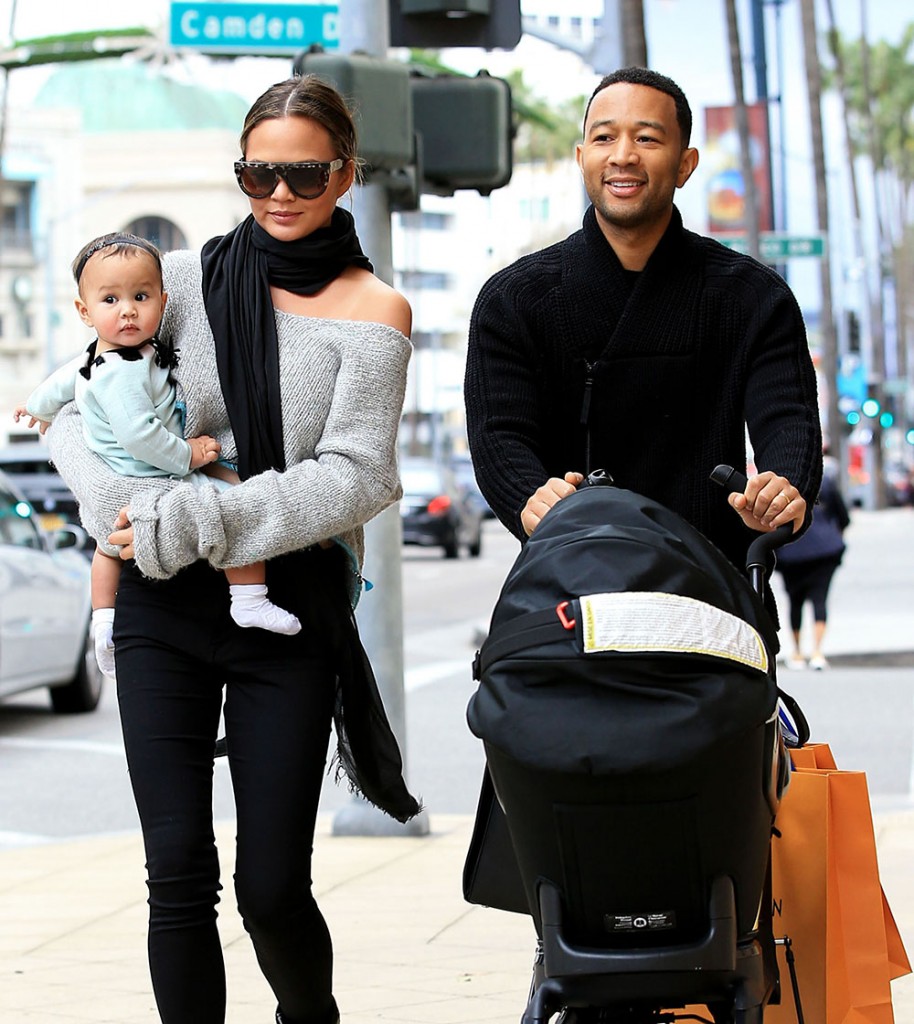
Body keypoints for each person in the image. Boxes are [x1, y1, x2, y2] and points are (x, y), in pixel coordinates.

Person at [43, 75, 421, 1024]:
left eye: (303, 171)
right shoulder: (179, 279)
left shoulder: (376, 311)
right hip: (160, 604)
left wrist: (202, 520)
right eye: (259, 171)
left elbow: (357, 476)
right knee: (175, 873)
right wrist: (127, 513)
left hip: (285, 611)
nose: (280, 193)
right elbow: (82, 410)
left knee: (269, 890)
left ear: (345, 172)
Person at [465, 66, 823, 572]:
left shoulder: (754, 297)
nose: (623, 155)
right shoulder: (513, 300)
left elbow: (788, 417)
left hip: (713, 588)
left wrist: (782, 489)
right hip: (566, 588)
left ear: (685, 164)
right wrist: (530, 496)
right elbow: (500, 434)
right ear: (582, 158)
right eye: (604, 137)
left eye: (648, 138)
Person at [15, 232, 303, 681]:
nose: (128, 309)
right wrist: (189, 455)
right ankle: (249, 599)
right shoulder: (121, 374)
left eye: (141, 296)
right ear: (84, 311)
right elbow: (141, 436)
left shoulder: (99, 357)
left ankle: (104, 623)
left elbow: (59, 382)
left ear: (163, 302)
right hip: (153, 472)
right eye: (110, 299)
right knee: (233, 501)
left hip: (135, 471)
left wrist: (37, 407)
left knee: (107, 548)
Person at [776, 457, 850, 670]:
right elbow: (843, 517)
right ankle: (817, 652)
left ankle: (797, 653)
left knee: (795, 601)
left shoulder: (781, 485)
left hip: (791, 551)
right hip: (824, 550)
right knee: (820, 599)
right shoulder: (825, 481)